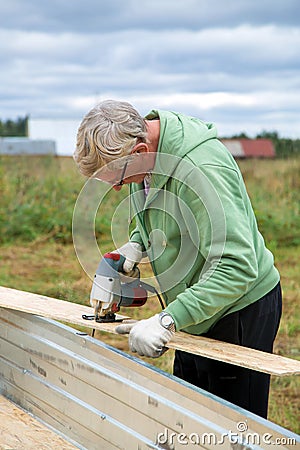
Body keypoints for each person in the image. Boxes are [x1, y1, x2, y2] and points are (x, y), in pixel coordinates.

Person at [74, 99, 282, 418]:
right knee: (190, 417)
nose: (115, 190)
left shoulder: (202, 169)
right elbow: (156, 216)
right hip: (194, 306)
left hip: (238, 309)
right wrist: (135, 247)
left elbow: (237, 267)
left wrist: (167, 320)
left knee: (232, 426)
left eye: (117, 180)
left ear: (141, 151)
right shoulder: (145, 159)